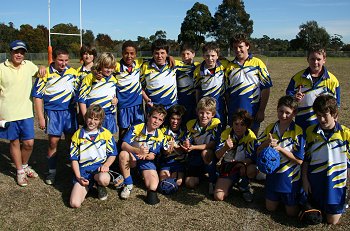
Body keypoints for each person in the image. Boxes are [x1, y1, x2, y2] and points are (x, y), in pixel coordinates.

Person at [32, 46, 79, 185]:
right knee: (53, 142)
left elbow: (79, 89)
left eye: (66, 60)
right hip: (53, 113)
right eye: (60, 60)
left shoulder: (72, 72)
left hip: (69, 112)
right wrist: (40, 117)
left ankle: (74, 170)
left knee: (72, 141)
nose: (63, 63)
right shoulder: (45, 73)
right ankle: (52, 171)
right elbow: (38, 96)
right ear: (53, 59)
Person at [302, 95, 349, 224]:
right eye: (318, 115)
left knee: (332, 221)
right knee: (312, 217)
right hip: (316, 182)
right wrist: (305, 180)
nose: (321, 119)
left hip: (335, 184)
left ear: (334, 114)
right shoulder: (311, 132)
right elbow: (306, 159)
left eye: (325, 115)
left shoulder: (345, 134)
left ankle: (343, 200)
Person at [0, 40, 40, 186]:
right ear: (10, 52)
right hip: (8, 113)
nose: (19, 54)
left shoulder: (28, 65)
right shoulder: (1, 68)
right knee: (14, 142)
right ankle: (19, 171)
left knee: (29, 143)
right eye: (16, 51)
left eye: (22, 52)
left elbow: (40, 73)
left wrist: (42, 68)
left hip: (26, 112)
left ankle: (24, 165)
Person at [257, 95, 304, 217]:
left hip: (290, 178)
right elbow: (257, 149)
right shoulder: (271, 128)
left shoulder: (298, 131)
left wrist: (279, 149)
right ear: (277, 110)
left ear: (294, 113)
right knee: (270, 208)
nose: (283, 115)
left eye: (287, 113)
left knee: (291, 213)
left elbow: (299, 160)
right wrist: (266, 143)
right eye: (281, 111)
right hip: (273, 176)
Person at [69, 105, 117, 208]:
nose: (92, 122)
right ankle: (89, 186)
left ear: (100, 121)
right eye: (90, 118)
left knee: (104, 178)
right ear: (85, 118)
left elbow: (112, 154)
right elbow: (74, 159)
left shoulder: (106, 134)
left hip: (99, 170)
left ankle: (99, 184)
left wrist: (106, 165)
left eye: (96, 119)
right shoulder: (78, 135)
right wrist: (78, 177)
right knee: (74, 203)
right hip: (83, 172)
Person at [118, 105, 167, 205]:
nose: (156, 121)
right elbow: (123, 145)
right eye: (154, 117)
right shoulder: (137, 127)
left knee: (153, 186)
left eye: (160, 119)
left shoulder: (160, 135)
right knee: (123, 154)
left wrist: (146, 156)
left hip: (146, 160)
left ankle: (138, 173)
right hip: (132, 157)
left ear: (162, 122)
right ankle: (128, 183)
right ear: (148, 116)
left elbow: (153, 155)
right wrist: (137, 151)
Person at [225, 33, 272, 135]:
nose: (238, 50)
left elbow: (266, 88)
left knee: (251, 142)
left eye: (240, 47)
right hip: (235, 113)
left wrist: (261, 110)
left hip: (253, 112)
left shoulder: (258, 63)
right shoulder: (229, 67)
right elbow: (227, 93)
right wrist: (230, 111)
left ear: (247, 46)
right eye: (235, 47)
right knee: (236, 144)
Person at [286, 46, 340, 130]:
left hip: (323, 126)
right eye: (312, 59)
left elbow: (336, 107)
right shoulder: (297, 78)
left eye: (318, 59)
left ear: (324, 60)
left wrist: (333, 128)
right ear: (307, 59)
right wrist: (294, 98)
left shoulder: (332, 81)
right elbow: (287, 101)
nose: (315, 62)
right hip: (302, 126)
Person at [214, 110, 258, 202]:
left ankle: (244, 185)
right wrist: (225, 147)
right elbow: (217, 155)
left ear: (247, 125)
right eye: (236, 124)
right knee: (218, 196)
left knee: (253, 169)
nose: (239, 127)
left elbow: (252, 157)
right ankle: (231, 183)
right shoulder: (226, 134)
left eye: (242, 124)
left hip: (242, 166)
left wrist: (241, 164)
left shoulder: (251, 137)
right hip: (228, 167)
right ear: (232, 124)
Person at [182, 96, 221, 194]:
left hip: (208, 153)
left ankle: (212, 179)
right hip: (195, 156)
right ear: (197, 112)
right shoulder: (191, 124)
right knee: (189, 183)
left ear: (213, 114)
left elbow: (212, 144)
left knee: (205, 153)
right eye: (201, 112)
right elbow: (187, 139)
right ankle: (203, 174)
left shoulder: (216, 123)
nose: (204, 116)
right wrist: (186, 144)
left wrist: (194, 147)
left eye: (208, 113)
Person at [78, 52, 118, 134]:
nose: (109, 70)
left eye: (111, 67)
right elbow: (82, 99)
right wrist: (85, 116)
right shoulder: (90, 77)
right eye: (106, 67)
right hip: (94, 117)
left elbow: (113, 95)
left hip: (109, 116)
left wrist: (116, 100)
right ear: (100, 65)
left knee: (107, 140)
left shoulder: (113, 79)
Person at [114, 41, 145, 141]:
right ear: (122, 53)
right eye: (126, 53)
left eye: (132, 53)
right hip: (123, 105)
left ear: (136, 54)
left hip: (137, 104)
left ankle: (137, 151)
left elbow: (155, 59)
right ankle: (121, 150)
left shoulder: (139, 63)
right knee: (123, 130)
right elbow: (100, 66)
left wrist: (168, 57)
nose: (129, 56)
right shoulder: (116, 66)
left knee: (139, 128)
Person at [193, 42, 227, 127]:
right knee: (206, 129)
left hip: (219, 105)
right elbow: (197, 90)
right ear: (203, 56)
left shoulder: (224, 66)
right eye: (207, 56)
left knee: (219, 127)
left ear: (217, 56)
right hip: (205, 106)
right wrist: (198, 104)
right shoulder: (197, 71)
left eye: (213, 56)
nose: (210, 58)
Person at [141, 39, 178, 110]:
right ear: (152, 53)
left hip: (171, 106)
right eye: (156, 53)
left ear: (167, 53)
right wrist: (146, 99)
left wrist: (170, 57)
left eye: (162, 53)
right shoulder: (145, 66)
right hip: (153, 107)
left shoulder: (174, 64)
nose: (159, 56)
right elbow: (141, 87)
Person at [159, 104, 187, 186]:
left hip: (179, 162)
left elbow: (184, 151)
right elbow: (161, 151)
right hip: (166, 161)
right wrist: (166, 151)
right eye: (173, 118)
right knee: (164, 182)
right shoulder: (162, 131)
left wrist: (176, 147)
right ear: (169, 118)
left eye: (178, 119)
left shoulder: (185, 131)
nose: (175, 122)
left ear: (182, 120)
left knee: (178, 183)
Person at [176, 44, 200, 122]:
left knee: (193, 122)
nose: (185, 56)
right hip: (181, 99)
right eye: (183, 54)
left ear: (193, 54)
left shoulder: (198, 66)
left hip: (194, 100)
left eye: (188, 54)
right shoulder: (177, 66)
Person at [76, 44, 97, 125]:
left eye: (90, 54)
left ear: (94, 55)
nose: (88, 56)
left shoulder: (100, 70)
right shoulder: (77, 72)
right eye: (85, 54)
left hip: (97, 104)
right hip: (84, 105)